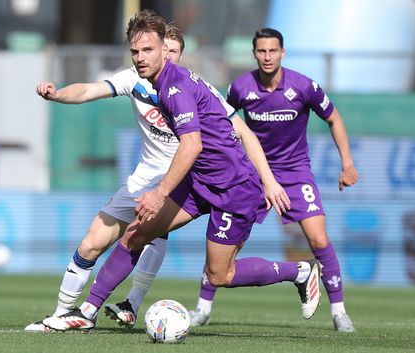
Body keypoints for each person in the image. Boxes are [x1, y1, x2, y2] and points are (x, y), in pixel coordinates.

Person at [40, 10, 322, 332]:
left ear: (165, 50)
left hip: (234, 189)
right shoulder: (153, 81)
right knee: (137, 233)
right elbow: (91, 91)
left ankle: (299, 272)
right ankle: (86, 313)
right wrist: (58, 94)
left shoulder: (176, 88)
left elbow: (192, 145)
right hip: (199, 180)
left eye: (148, 50)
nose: (140, 58)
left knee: (220, 275)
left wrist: (160, 193)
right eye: (135, 51)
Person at [188, 28, 359, 333]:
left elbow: (334, 118)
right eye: (262, 51)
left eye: (273, 51)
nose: (267, 57)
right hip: (253, 176)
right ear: (254, 54)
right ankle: (202, 308)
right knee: (227, 246)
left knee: (318, 238)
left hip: (295, 174)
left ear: (282, 53)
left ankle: (339, 312)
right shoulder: (240, 88)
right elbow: (221, 123)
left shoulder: (305, 87)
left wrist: (347, 163)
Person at [25, 24, 186, 332]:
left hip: (176, 182)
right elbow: (87, 90)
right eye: (160, 49)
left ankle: (132, 302)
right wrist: (58, 94)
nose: (165, 55)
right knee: (90, 244)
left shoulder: (192, 88)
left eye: (173, 51)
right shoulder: (134, 79)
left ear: (178, 55)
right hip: (141, 179)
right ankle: (62, 314)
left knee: (148, 235)